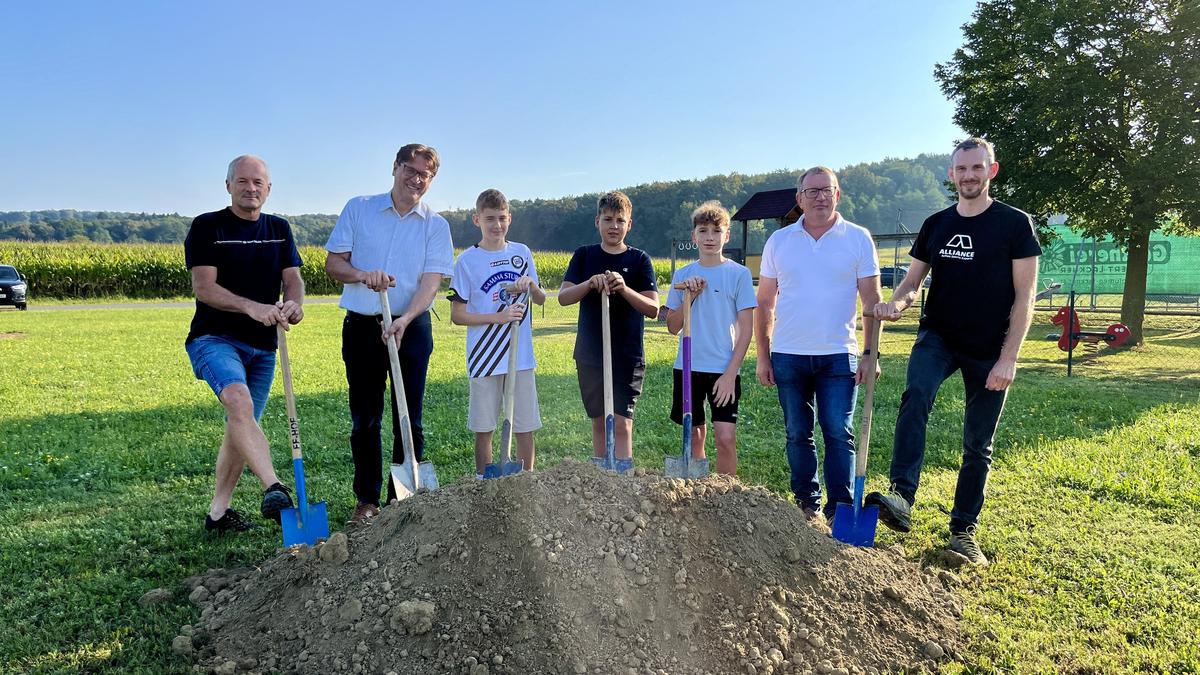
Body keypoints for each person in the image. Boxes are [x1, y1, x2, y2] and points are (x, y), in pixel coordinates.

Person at [867, 137, 1041, 566]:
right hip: (938, 337)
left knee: (977, 444)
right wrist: (898, 303)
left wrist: (1009, 358)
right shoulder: (936, 224)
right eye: (961, 169)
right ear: (951, 174)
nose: (969, 176)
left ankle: (963, 531)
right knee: (916, 398)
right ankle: (903, 497)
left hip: (990, 347)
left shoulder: (1015, 224)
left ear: (991, 170)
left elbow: (1026, 296)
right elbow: (912, 282)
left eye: (977, 168)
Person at [324, 144, 454, 523]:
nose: (417, 180)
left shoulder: (436, 225)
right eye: (410, 170)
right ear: (395, 168)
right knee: (365, 416)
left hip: (411, 328)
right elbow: (334, 263)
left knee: (409, 415)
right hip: (363, 326)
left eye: (425, 175)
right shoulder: (359, 208)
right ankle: (366, 499)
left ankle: (404, 496)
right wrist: (364, 275)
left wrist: (406, 318)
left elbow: (431, 281)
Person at [755, 167, 882, 526]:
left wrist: (871, 355)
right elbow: (765, 303)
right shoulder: (779, 241)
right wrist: (763, 356)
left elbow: (871, 300)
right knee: (798, 432)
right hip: (788, 353)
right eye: (811, 192)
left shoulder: (857, 238)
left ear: (837, 194)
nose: (820, 197)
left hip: (838, 355)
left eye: (826, 190)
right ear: (799, 199)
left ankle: (840, 509)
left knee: (838, 432)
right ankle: (807, 505)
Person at [184, 154, 304, 534]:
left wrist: (294, 303)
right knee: (239, 403)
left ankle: (217, 515)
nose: (250, 188)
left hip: (264, 347)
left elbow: (293, 279)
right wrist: (251, 307)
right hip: (214, 338)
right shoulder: (207, 227)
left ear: (268, 189)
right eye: (243, 181)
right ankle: (274, 486)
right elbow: (204, 288)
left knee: (241, 424)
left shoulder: (279, 229)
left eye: (258, 183)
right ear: (228, 185)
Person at [558, 191, 659, 472]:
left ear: (630, 225)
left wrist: (624, 288)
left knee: (623, 422)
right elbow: (564, 297)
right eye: (608, 219)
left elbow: (652, 308)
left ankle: (623, 480)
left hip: (627, 355)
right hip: (591, 354)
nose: (614, 226)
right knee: (600, 421)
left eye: (620, 220)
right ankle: (602, 480)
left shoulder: (639, 260)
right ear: (597, 222)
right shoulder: (584, 255)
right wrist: (590, 284)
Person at [448, 189, 546, 477]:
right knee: (484, 425)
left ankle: (526, 479)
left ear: (509, 219)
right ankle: (483, 480)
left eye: (502, 218)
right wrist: (499, 318)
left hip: (521, 357)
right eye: (490, 219)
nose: (496, 225)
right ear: (477, 219)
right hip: (485, 357)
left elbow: (540, 300)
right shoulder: (467, 261)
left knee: (525, 424)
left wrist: (531, 286)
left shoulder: (521, 253)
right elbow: (457, 315)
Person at [664, 201, 756, 475]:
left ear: (726, 235)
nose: (709, 237)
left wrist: (730, 374)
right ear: (694, 236)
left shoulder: (738, 275)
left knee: (725, 438)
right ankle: (698, 489)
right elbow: (671, 326)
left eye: (716, 231)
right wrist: (689, 298)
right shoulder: (683, 276)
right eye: (703, 231)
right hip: (688, 367)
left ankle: (726, 498)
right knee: (695, 436)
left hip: (722, 368)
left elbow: (746, 330)